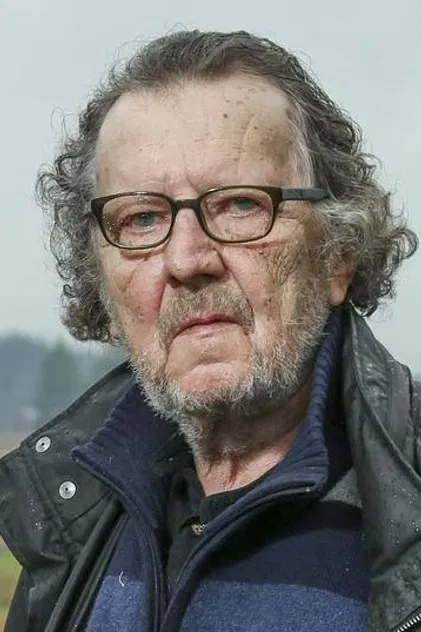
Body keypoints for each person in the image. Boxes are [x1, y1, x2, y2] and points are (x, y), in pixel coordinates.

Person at [1, 29, 420, 632]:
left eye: (241, 205)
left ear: (337, 254)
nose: (186, 260)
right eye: (141, 218)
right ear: (102, 283)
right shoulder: (72, 513)